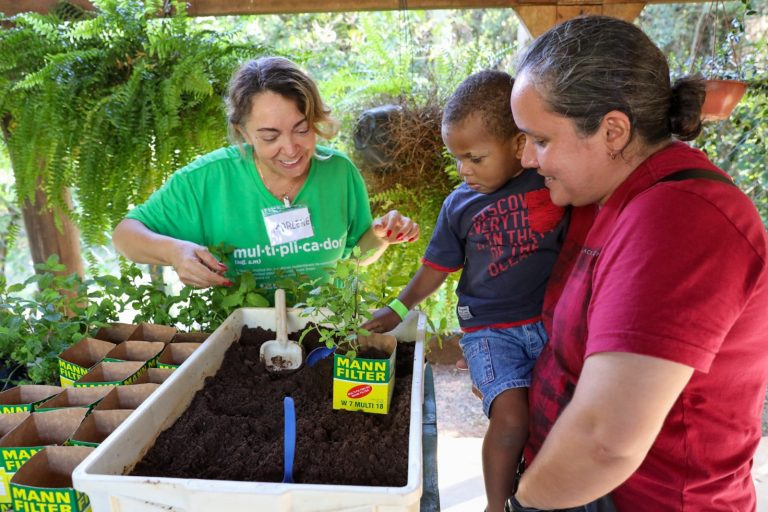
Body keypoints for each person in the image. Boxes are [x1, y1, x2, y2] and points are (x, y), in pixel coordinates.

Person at [506, 15, 768, 512]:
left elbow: (606, 442)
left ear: (613, 130)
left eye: (540, 139)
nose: (526, 159)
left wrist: (521, 507)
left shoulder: (678, 218)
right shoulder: (613, 195)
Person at [363, 70, 567, 512]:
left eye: (475, 157)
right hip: (490, 332)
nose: (463, 169)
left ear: (518, 145)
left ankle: (540, 495)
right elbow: (436, 266)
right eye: (456, 158)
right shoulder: (460, 204)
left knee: (555, 419)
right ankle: (497, 506)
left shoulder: (553, 185)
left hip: (552, 324)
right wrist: (398, 307)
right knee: (511, 419)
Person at [112, 56, 419, 291]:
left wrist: (380, 237)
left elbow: (356, 257)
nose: (291, 148)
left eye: (302, 129)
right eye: (270, 136)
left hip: (329, 331)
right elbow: (125, 236)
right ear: (243, 133)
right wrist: (174, 251)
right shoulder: (208, 180)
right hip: (242, 339)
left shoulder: (339, 174)